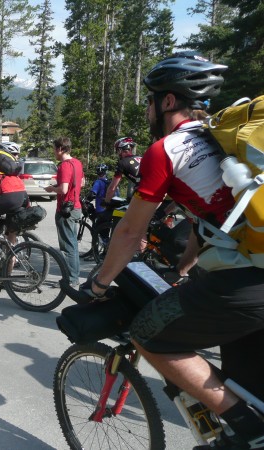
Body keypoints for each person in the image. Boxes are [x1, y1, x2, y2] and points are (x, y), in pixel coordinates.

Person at [84, 52, 264, 449]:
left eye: (150, 100)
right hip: (250, 270)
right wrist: (184, 268)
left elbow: (131, 231)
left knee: (149, 334)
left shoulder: (167, 149)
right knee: (244, 384)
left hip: (247, 281)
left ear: (167, 102)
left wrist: (97, 285)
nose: (147, 109)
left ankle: (246, 427)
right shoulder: (221, 139)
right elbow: (218, 215)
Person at [44, 136, 85, 287]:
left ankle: (70, 280)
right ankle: (74, 277)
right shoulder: (77, 163)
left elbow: (63, 189)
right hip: (76, 206)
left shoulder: (64, 166)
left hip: (66, 209)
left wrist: (51, 188)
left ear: (61, 149)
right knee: (72, 244)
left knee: (67, 246)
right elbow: (82, 182)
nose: (54, 152)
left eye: (55, 149)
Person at [105, 137, 142, 203]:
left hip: (146, 191)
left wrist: (106, 202)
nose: (118, 153)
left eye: (118, 150)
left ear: (121, 149)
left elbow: (112, 188)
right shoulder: (140, 157)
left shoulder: (122, 162)